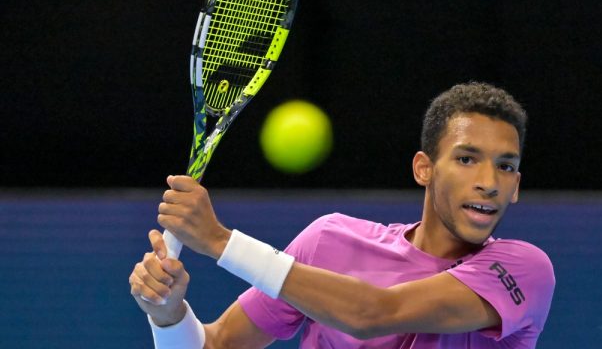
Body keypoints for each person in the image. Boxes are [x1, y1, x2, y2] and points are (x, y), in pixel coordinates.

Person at [128, 81, 556, 348]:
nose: (489, 181)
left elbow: (374, 314)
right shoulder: (329, 242)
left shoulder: (522, 271)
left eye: (505, 166)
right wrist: (167, 315)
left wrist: (220, 241)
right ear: (423, 168)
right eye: (467, 159)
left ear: (516, 185)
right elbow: (216, 345)